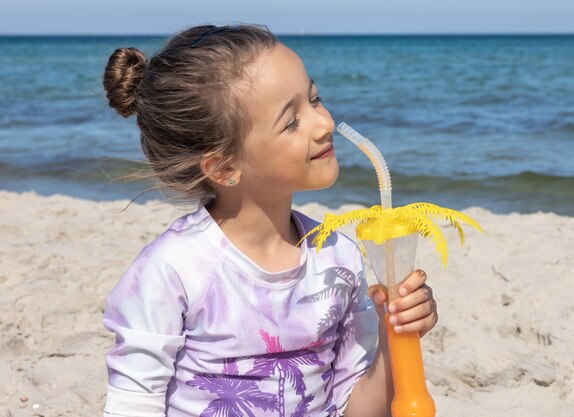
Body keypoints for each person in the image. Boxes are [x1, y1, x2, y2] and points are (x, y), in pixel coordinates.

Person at [101, 24, 438, 417]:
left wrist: (394, 331)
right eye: (291, 121)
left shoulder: (338, 258)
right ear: (225, 166)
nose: (324, 123)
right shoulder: (174, 269)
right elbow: (134, 404)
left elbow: (360, 410)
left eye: (315, 99)